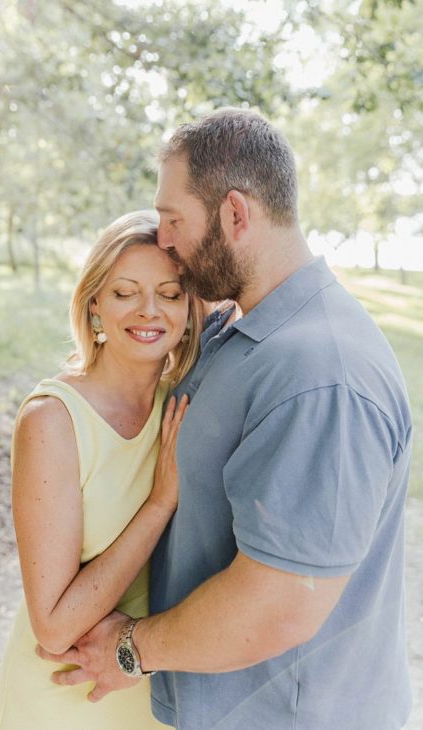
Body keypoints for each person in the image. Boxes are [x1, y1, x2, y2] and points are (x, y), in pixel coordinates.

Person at [36, 109, 413, 729]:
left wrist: (132, 649)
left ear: (236, 215)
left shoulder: (321, 373)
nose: (164, 241)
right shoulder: (242, 327)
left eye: (173, 219)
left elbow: (282, 603)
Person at [0, 210, 200, 728]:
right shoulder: (53, 420)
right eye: (125, 292)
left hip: (152, 689)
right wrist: (159, 505)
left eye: (170, 294)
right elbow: (55, 627)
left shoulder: (187, 404)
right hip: (66, 696)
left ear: (191, 310)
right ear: (95, 305)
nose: (149, 311)